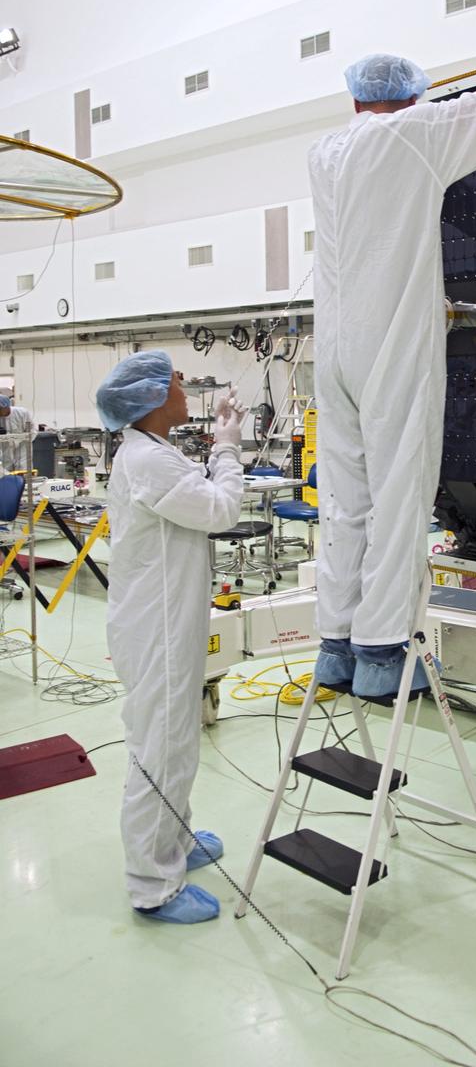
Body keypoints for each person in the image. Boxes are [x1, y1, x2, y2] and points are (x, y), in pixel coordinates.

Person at [308, 53, 476, 698]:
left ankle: (335, 646)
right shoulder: (415, 135)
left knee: (345, 498)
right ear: (414, 96)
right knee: (399, 492)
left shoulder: (325, 152)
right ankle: (382, 654)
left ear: (356, 97)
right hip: (388, 341)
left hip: (334, 345)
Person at [95, 351, 244, 924]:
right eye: (178, 380)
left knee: (177, 739)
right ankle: (152, 886)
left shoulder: (155, 452)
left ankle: (174, 842)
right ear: (154, 397)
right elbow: (222, 509)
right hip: (155, 627)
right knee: (159, 749)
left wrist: (215, 452)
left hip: (167, 620)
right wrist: (228, 445)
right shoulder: (148, 460)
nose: (185, 387)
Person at [0, 395, 34, 472]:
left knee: (23, 467)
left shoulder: (22, 413)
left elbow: (32, 430)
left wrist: (23, 439)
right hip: (5, 446)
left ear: (6, 407)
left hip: (23, 445)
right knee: (6, 468)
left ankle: (24, 482)